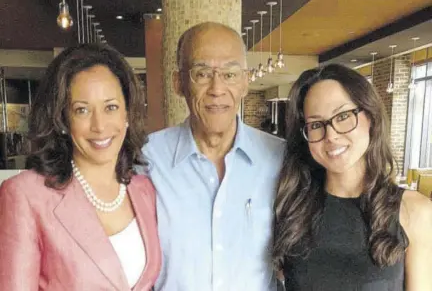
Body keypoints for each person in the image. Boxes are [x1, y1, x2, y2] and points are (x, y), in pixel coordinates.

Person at [0, 44, 161, 290]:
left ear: (127, 114)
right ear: (62, 118)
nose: (99, 125)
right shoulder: (25, 194)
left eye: (111, 107)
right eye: (82, 110)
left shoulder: (144, 189)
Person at [141, 22, 285, 291]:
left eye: (230, 74)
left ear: (244, 82)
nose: (217, 88)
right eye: (202, 73)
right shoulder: (147, 160)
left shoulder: (279, 158)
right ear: (178, 83)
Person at [273, 64, 432, 290]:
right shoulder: (292, 206)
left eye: (343, 116)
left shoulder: (414, 211)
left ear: (370, 116)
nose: (331, 135)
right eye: (316, 125)